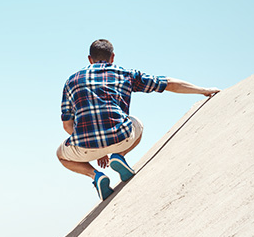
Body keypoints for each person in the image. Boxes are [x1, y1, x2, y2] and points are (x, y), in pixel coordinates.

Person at [57, 39, 220, 201]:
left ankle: (95, 175)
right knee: (137, 123)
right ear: (112, 57)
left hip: (85, 146)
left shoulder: (71, 81)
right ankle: (119, 156)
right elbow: (168, 83)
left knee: (61, 156)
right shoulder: (125, 74)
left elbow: (67, 125)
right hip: (122, 137)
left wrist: (93, 143)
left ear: (89, 59)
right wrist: (204, 90)